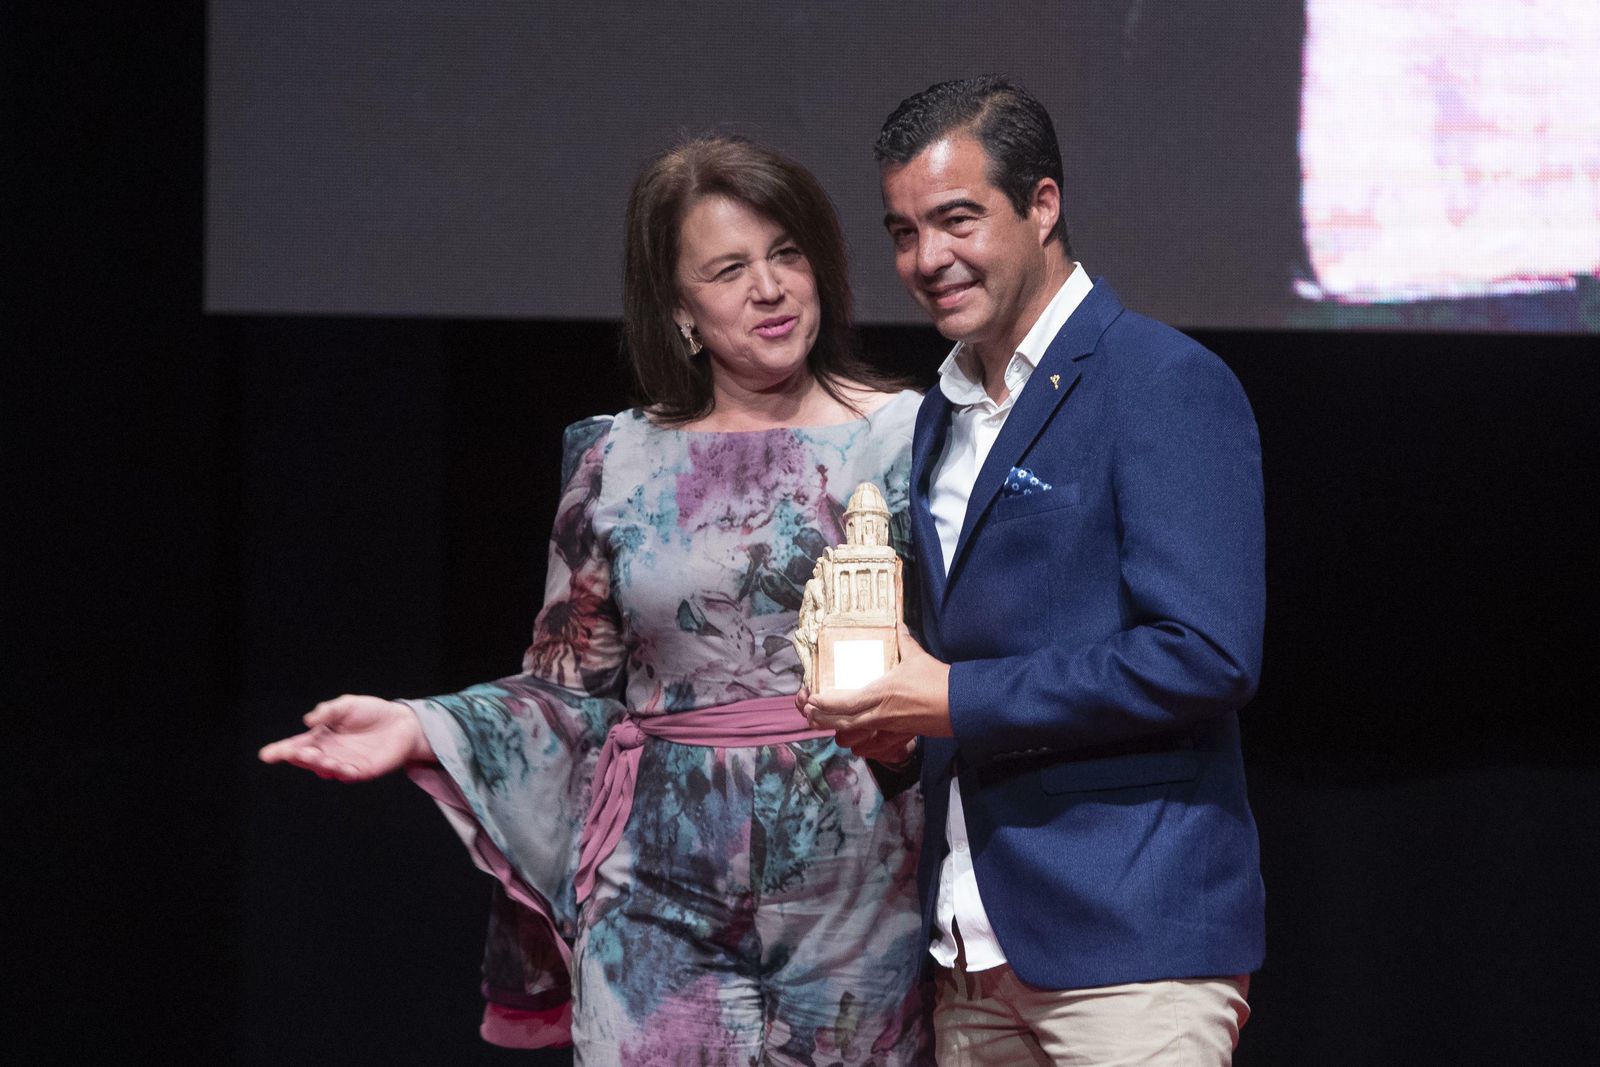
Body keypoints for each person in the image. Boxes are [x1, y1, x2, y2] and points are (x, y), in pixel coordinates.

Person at [260, 136, 931, 1066]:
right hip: (657, 897)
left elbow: (963, 661)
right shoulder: (617, 460)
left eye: (787, 254)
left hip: (857, 891)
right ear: (680, 309)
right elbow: (568, 691)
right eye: (729, 269)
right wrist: (421, 727)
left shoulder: (908, 439)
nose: (770, 288)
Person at [803, 76, 1266, 1065]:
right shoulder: (938, 411)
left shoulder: (1161, 381)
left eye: (956, 219)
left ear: (1042, 205)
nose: (926, 258)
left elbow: (1206, 653)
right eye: (903, 232)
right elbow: (967, 655)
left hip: (1132, 948)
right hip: (969, 949)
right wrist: (898, 725)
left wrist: (952, 697)